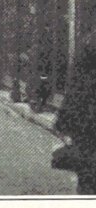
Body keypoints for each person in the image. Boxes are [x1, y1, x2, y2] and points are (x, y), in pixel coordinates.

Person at [54, 39, 96, 194]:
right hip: (88, 123)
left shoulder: (88, 44)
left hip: (86, 124)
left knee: (88, 178)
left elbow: (75, 88)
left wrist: (63, 125)